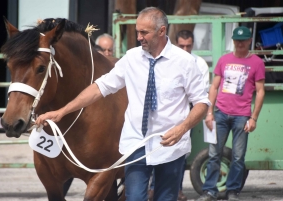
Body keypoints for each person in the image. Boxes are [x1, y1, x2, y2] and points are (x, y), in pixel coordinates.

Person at [36, 7, 210, 201]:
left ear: (161, 31)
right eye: (137, 31)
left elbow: (202, 103)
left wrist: (182, 129)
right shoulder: (132, 58)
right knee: (134, 198)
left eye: (144, 32)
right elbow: (99, 88)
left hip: (171, 146)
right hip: (136, 143)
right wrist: (62, 111)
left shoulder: (185, 62)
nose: (139, 37)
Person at [196, 26, 265, 201]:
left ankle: (233, 191)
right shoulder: (224, 60)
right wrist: (209, 112)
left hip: (242, 117)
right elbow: (214, 87)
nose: (240, 43)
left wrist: (254, 118)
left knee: (238, 156)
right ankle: (209, 191)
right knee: (213, 154)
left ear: (250, 41)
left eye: (243, 40)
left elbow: (260, 91)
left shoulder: (257, 62)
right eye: (237, 40)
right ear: (233, 41)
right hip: (220, 114)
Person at [148, 29, 210, 201]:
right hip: (162, 112)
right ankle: (154, 188)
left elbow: (201, 95)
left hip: (187, 115)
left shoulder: (199, 63)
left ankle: (177, 189)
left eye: (188, 46)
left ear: (193, 45)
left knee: (179, 153)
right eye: (181, 45)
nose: (185, 49)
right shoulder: (167, 60)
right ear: (175, 43)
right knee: (155, 149)